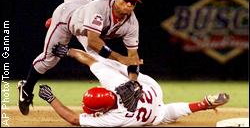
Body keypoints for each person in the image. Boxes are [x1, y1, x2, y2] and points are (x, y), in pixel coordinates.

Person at [18, 0, 143, 115]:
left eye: (133, 2)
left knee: (100, 61)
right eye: (125, 0)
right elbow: (93, 42)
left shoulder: (132, 23)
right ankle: (26, 88)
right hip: (66, 18)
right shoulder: (100, 8)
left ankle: (105, 104)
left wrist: (133, 81)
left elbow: (133, 56)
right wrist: (120, 58)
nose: (129, 4)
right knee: (50, 59)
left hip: (83, 6)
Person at [38, 45, 230, 127]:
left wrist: (50, 98)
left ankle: (201, 104)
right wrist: (68, 51)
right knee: (111, 65)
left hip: (153, 114)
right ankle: (133, 69)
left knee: (167, 114)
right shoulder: (113, 83)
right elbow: (88, 60)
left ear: (104, 109)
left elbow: (73, 119)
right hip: (152, 89)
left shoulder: (115, 117)